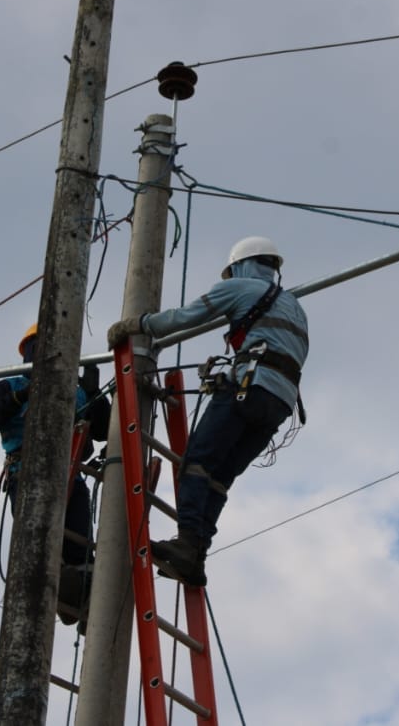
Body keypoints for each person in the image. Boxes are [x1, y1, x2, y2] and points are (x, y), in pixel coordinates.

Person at [107, 236, 309, 586]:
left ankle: (188, 544)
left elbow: (185, 317)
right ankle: (196, 554)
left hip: (249, 386)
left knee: (197, 462)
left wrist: (137, 325)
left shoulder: (241, 287)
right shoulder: (294, 306)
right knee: (219, 477)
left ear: (241, 266)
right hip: (279, 404)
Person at [0, 323, 110, 626]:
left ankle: (82, 605)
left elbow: (103, 431)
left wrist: (95, 394)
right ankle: (55, 593)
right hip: (27, 476)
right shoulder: (11, 385)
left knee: (80, 550)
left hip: (71, 476)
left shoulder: (77, 392)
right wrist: (22, 396)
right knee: (42, 547)